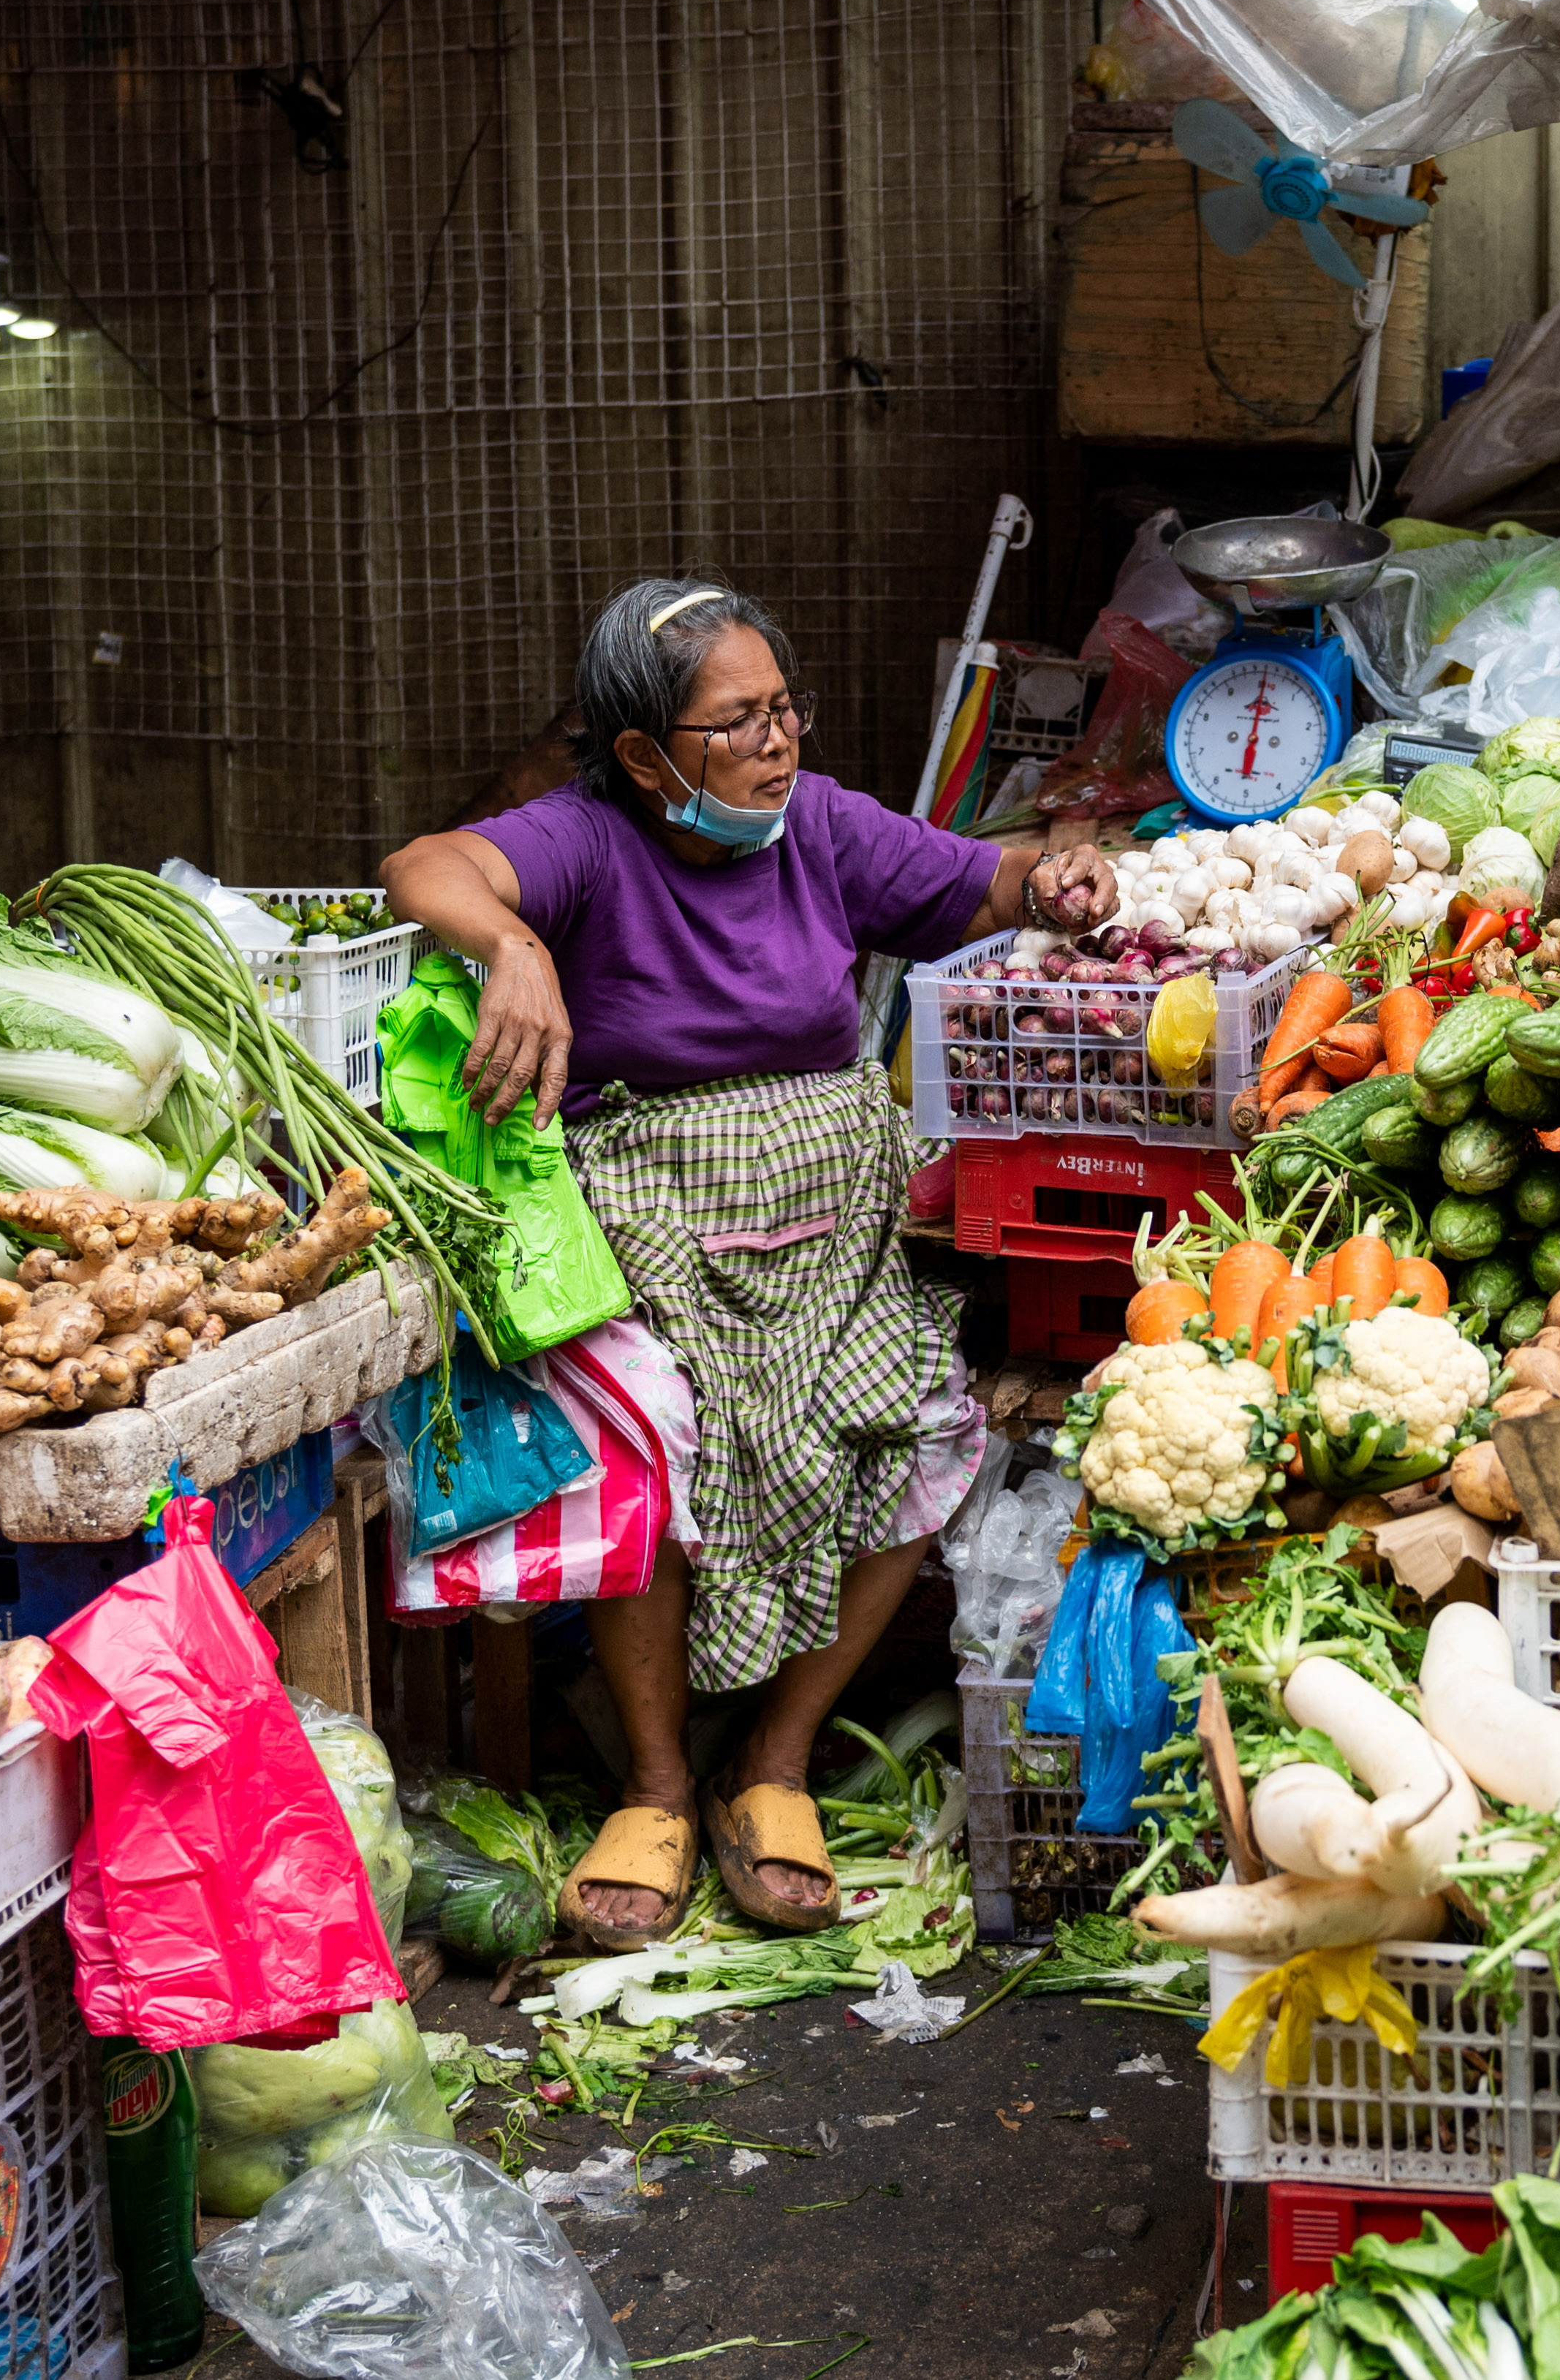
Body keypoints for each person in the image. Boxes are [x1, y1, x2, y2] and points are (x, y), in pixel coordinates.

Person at [382, 578, 1114, 1949]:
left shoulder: (819, 826)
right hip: (654, 1223)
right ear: (648, 755)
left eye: (785, 709)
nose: (778, 743)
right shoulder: (589, 836)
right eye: (739, 723)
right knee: (650, 1453)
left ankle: (769, 1758)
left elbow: (987, 878)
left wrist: (1055, 874)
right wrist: (514, 944)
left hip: (831, 1227)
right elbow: (423, 864)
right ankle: (655, 1782)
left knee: (922, 1436)